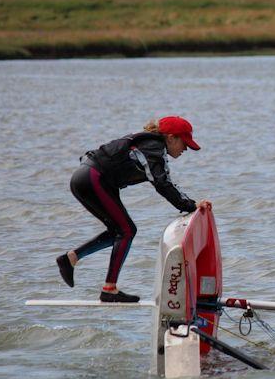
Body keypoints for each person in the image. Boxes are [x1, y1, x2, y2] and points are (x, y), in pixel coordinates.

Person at [56, 116, 211, 302]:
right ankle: (109, 289)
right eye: (184, 143)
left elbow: (161, 180)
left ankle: (71, 258)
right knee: (127, 231)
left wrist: (188, 203)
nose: (186, 149)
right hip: (92, 179)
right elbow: (162, 182)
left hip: (88, 179)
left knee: (119, 232)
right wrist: (190, 205)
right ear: (171, 137)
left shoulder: (149, 145)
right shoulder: (154, 147)